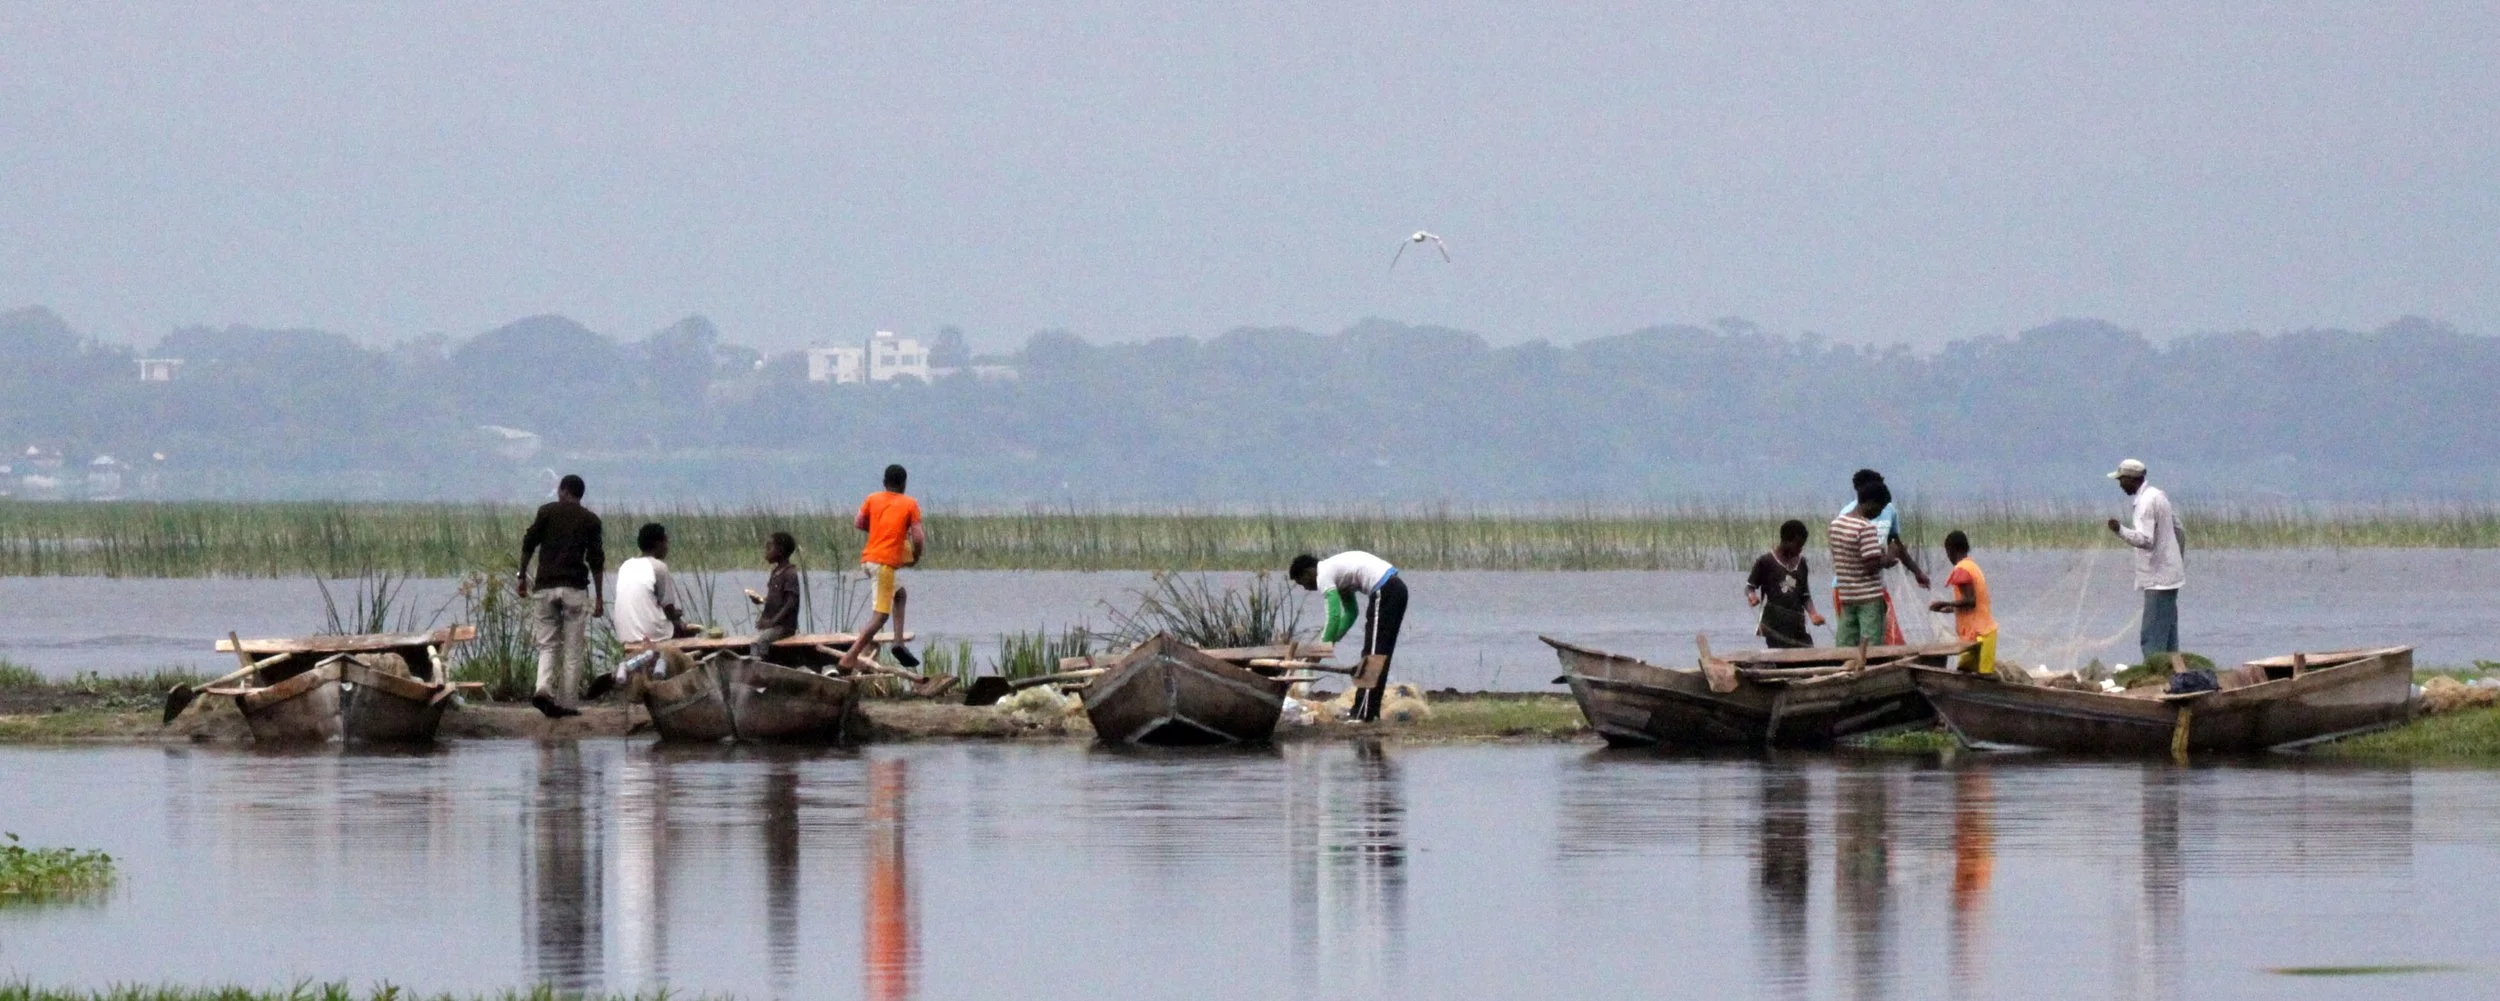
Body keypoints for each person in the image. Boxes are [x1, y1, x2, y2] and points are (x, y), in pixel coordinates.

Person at [518, 474, 605, 718]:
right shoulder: (590, 520)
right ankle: (568, 704)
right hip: (575, 589)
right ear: (580, 494)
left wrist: (521, 576)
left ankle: (543, 689)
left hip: (545, 587)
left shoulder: (546, 512)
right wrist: (598, 596)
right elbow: (596, 560)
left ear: (563, 491)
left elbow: (529, 543)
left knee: (547, 645)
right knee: (573, 649)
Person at [1289, 550, 1407, 722]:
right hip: (1396, 590)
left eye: (1303, 583)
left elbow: (1334, 615)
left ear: (1308, 572)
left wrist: (1322, 649)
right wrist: (1332, 642)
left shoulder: (1323, 574)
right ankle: (1369, 712)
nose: (1306, 588)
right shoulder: (1339, 577)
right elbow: (1351, 613)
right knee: (1380, 655)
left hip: (1385, 590)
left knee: (1372, 657)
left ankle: (1363, 713)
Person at [587, 522, 698, 700]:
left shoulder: (626, 565)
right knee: (684, 635)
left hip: (625, 632)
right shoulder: (659, 567)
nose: (667, 547)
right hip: (654, 633)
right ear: (658, 544)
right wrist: (680, 622)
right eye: (666, 542)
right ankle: (678, 686)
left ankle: (628, 674)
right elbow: (669, 610)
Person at [838, 465, 926, 672]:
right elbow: (918, 537)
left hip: (869, 561)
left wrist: (879, 529)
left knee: (900, 594)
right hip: (884, 565)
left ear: (884, 482)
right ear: (904, 484)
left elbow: (859, 522)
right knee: (880, 616)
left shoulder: (872, 498)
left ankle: (898, 642)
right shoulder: (910, 503)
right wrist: (916, 555)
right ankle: (849, 658)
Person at [2104, 458, 2188, 670]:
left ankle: (2155, 678)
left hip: (2158, 580)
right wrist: (2176, 562)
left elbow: (2146, 540)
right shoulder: (2159, 496)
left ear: (2131, 479)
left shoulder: (2145, 504)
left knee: (2151, 637)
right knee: (2168, 635)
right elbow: (2180, 530)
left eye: (2121, 480)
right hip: (2170, 576)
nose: (2120, 486)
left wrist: (2119, 530)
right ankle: (2174, 674)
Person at [1835, 469, 1931, 644]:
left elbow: (1896, 544)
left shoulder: (1887, 509)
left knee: (1888, 637)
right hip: (1848, 588)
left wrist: (1917, 572)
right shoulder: (1847, 515)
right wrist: (1886, 558)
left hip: (1875, 587)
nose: (1879, 512)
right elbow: (1865, 562)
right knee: (1857, 639)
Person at [1828, 482, 1900, 649]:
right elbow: (1871, 566)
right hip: (1869, 597)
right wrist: (1889, 558)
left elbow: (1848, 558)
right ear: (1870, 503)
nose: (1879, 513)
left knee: (1845, 644)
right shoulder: (1865, 528)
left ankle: (1846, 671)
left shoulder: (1835, 525)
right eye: (1880, 507)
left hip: (1846, 595)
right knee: (1872, 646)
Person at [1746, 519, 1826, 648]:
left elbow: (1805, 595)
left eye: (1802, 546)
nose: (1800, 550)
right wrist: (1752, 596)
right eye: (1798, 545)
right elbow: (1750, 586)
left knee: (1807, 652)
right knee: (1780, 656)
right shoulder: (1766, 562)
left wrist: (1813, 614)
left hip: (1797, 622)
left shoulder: (1801, 563)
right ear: (1786, 541)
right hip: (1774, 624)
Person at [1927, 530, 1998, 675]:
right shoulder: (1973, 566)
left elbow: (1971, 601)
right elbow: (1975, 603)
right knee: (1966, 671)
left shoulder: (1961, 570)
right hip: (1983, 634)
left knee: (1979, 676)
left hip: (1978, 637)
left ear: (1952, 550)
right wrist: (1951, 609)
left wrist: (1945, 603)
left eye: (1947, 552)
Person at [751, 531, 801, 659]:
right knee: (757, 641)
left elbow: (791, 603)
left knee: (762, 641)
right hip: (775, 625)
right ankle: (759, 664)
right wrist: (760, 600)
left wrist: (772, 622)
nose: (766, 552)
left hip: (785, 626)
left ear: (780, 551)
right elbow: (776, 599)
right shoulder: (776, 573)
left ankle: (761, 667)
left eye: (769, 548)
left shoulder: (790, 574)